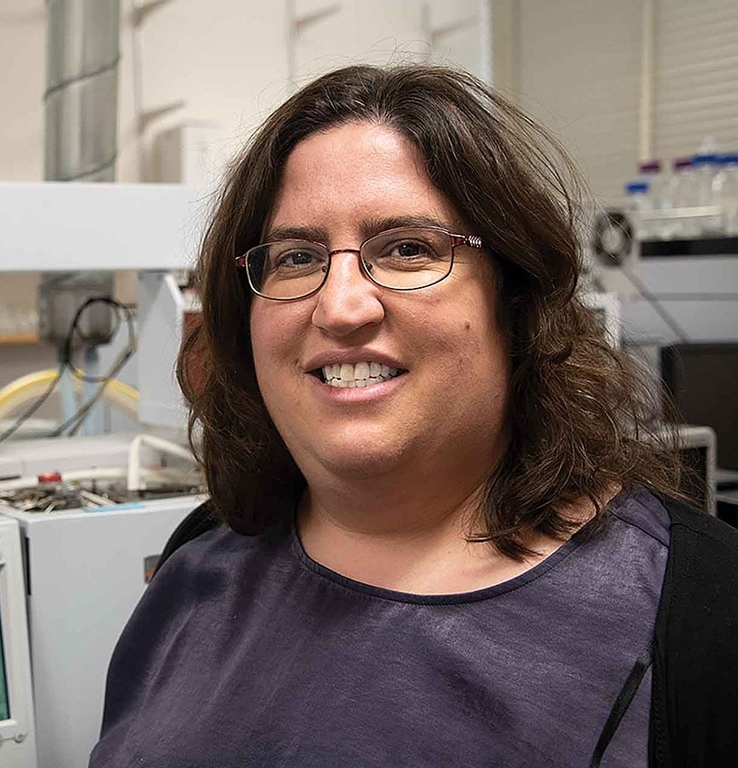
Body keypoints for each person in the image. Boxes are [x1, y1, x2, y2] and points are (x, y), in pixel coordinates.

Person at [89, 65, 738, 767]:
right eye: (297, 257)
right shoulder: (201, 560)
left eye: (406, 248)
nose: (340, 307)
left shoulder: (700, 618)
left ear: (513, 301)